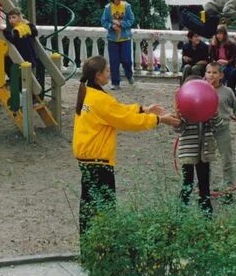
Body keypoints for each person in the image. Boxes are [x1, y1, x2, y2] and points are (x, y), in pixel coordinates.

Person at [72, 56, 179, 234]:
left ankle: (90, 250)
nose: (110, 73)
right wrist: (159, 119)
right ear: (98, 75)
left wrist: (143, 109)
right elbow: (127, 120)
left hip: (87, 158)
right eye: (107, 70)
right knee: (102, 209)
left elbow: (118, 110)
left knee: (89, 206)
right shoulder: (99, 99)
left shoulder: (87, 92)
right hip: (98, 160)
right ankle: (101, 250)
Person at [176, 88, 222, 217]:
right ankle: (181, 210)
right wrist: (178, 114)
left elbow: (218, 126)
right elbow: (178, 128)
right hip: (188, 153)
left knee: (204, 183)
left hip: (205, 153)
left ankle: (206, 212)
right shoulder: (186, 110)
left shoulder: (208, 111)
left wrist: (214, 112)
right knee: (187, 182)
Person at [205, 61, 236, 193]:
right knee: (205, 159)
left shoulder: (227, 91)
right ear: (205, 74)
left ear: (221, 75)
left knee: (226, 158)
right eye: (208, 72)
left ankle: (228, 187)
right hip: (205, 129)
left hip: (222, 129)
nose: (211, 75)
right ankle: (204, 186)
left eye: (214, 73)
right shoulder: (201, 89)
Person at [100, 0, 135, 91]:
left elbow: (131, 19)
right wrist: (111, 26)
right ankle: (115, 83)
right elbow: (103, 21)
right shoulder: (108, 8)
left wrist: (121, 24)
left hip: (125, 38)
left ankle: (129, 75)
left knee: (126, 60)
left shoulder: (127, 6)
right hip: (112, 39)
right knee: (114, 62)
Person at [3, 8, 44, 93]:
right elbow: (34, 32)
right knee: (29, 77)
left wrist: (4, 31)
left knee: (22, 76)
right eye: (9, 18)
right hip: (30, 56)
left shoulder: (18, 30)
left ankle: (23, 90)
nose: (11, 20)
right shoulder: (25, 27)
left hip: (24, 57)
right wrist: (28, 23)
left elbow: (14, 40)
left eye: (14, 17)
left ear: (19, 17)